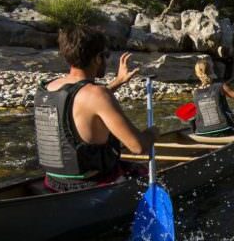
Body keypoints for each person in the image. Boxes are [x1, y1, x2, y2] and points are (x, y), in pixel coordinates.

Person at [34, 26, 158, 192]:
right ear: (97, 59)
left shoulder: (47, 88)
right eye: (105, 55)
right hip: (93, 185)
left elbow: (79, 104)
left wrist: (118, 82)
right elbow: (138, 147)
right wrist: (153, 133)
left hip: (52, 182)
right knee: (141, 170)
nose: (106, 61)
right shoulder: (98, 95)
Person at [191, 57, 234, 136]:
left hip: (202, 132)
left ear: (197, 74)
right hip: (224, 130)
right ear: (211, 71)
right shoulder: (221, 87)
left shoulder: (195, 93)